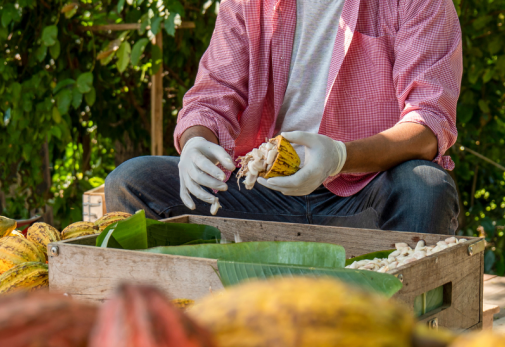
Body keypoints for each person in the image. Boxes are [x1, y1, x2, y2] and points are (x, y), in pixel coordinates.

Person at [106, 0, 463, 235]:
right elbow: (212, 95)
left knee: (425, 188)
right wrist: (196, 141)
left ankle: (390, 336)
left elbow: (429, 123)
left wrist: (339, 157)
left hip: (364, 194)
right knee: (132, 182)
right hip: (264, 191)